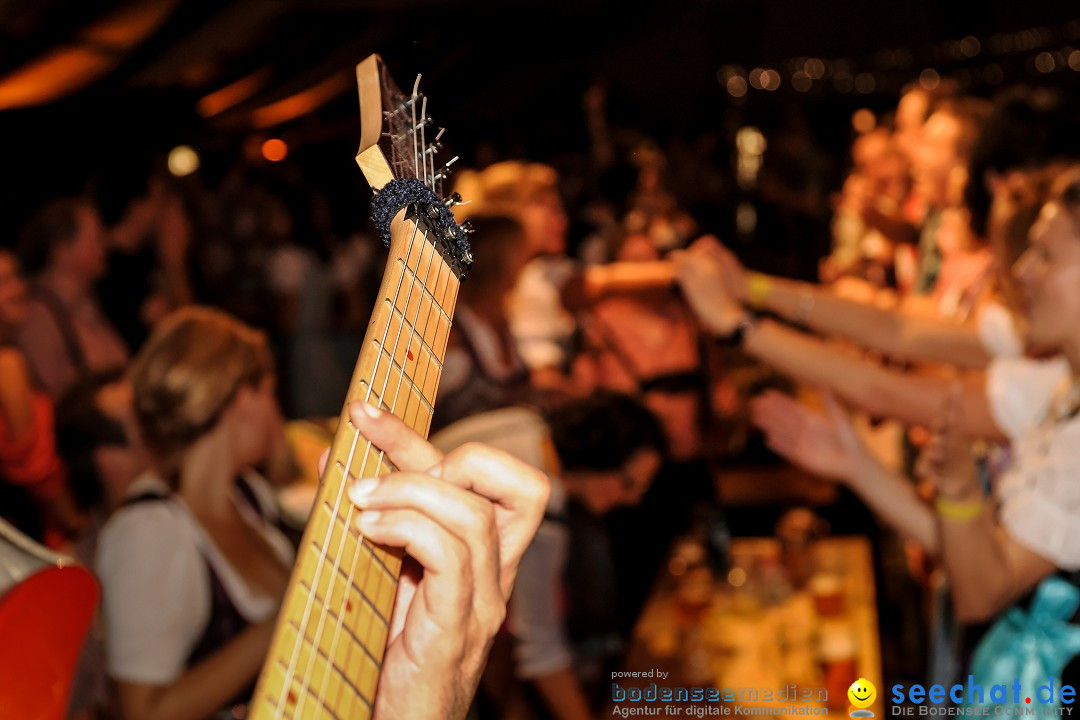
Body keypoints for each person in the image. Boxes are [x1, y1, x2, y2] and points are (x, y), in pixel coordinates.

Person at [97, 306, 549, 720]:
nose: (278, 413)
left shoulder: (248, 496)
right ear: (241, 398)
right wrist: (296, 614)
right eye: (272, 392)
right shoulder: (148, 530)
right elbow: (144, 710)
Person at [674, 166, 1080, 628]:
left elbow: (885, 389)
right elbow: (898, 328)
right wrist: (753, 290)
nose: (1021, 273)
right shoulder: (1061, 385)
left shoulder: (1053, 399)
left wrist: (739, 325)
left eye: (1044, 256)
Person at [429, 391, 665, 720]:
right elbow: (540, 651)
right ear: (600, 458)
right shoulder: (542, 512)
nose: (633, 499)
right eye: (630, 483)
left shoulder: (527, 422)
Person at [0, 246, 84, 545]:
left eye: (16, 277)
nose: (19, 289)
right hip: (32, 525)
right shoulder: (7, 364)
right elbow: (34, 466)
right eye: (3, 282)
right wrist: (73, 522)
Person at [15, 196, 129, 400]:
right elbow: (58, 402)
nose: (105, 244)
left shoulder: (87, 304)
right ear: (62, 251)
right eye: (94, 237)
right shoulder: (37, 316)